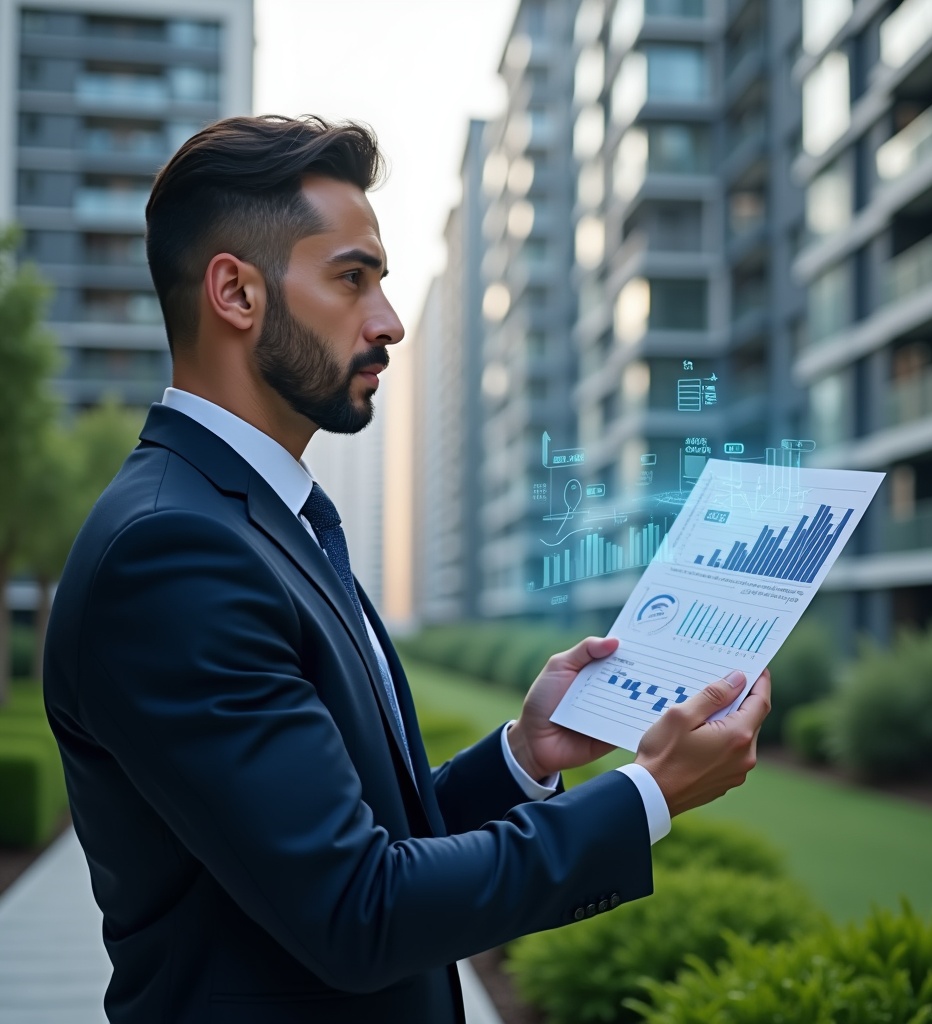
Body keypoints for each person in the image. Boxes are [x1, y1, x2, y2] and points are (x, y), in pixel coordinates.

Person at [43, 115, 770, 1024]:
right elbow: (360, 907)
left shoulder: (260, 519)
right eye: (353, 279)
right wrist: (647, 796)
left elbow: (362, 840)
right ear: (235, 292)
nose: (386, 322)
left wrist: (521, 758)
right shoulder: (173, 554)